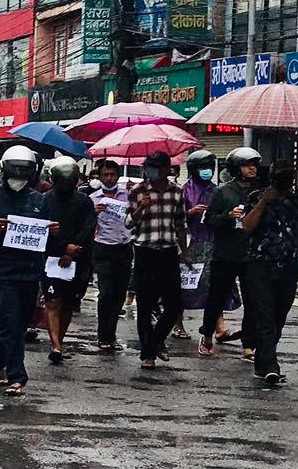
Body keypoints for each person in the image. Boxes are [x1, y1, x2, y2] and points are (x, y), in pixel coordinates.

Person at [0, 144, 55, 396]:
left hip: (30, 271)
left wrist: (52, 233)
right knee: (10, 323)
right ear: (4, 171)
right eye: (13, 175)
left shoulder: (39, 201)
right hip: (1, 272)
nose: (17, 181)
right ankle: (17, 376)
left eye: (22, 175)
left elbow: (49, 238)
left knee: (21, 322)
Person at [238, 164, 298, 386]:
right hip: (259, 265)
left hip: (288, 266)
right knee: (264, 316)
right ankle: (270, 365)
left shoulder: (297, 201)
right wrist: (263, 202)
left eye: (288, 177)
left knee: (279, 317)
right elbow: (246, 226)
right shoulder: (255, 197)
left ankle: (263, 363)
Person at [127, 153, 189, 369]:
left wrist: (185, 252)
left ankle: (154, 342)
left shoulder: (176, 192)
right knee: (145, 304)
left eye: (155, 167)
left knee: (174, 305)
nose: (151, 171)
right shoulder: (138, 191)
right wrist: (141, 208)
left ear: (166, 169)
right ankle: (148, 354)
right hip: (145, 251)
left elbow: (181, 224)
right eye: (148, 167)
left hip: (169, 251)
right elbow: (128, 222)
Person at [198, 146, 261, 357]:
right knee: (216, 297)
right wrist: (228, 216)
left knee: (253, 300)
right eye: (247, 165)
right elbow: (209, 219)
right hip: (225, 253)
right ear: (236, 168)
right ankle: (207, 334)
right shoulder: (222, 191)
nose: (252, 169)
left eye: (254, 165)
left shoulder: (260, 192)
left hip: (251, 254)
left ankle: (249, 342)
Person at [41, 155, 96, 365]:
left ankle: (59, 340)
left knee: (68, 304)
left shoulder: (84, 201)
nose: (65, 185)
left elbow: (88, 228)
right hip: (51, 258)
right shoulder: (44, 199)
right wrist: (63, 248)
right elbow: (42, 229)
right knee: (52, 301)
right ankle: (55, 344)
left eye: (69, 182)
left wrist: (72, 251)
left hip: (78, 260)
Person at [88, 158, 135, 355]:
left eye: (112, 175)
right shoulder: (93, 198)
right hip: (103, 247)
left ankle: (112, 334)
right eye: (105, 175)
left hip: (124, 247)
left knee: (118, 294)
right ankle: (102, 334)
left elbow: (135, 218)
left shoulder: (128, 195)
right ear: (100, 177)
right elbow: (86, 224)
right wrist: (93, 213)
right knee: (106, 292)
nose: (109, 178)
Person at [182, 147, 218, 338]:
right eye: (203, 167)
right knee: (185, 286)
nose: (207, 171)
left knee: (214, 287)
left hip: (211, 243)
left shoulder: (217, 190)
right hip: (190, 243)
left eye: (209, 167)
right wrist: (190, 213)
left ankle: (217, 326)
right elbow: (175, 218)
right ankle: (178, 324)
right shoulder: (184, 191)